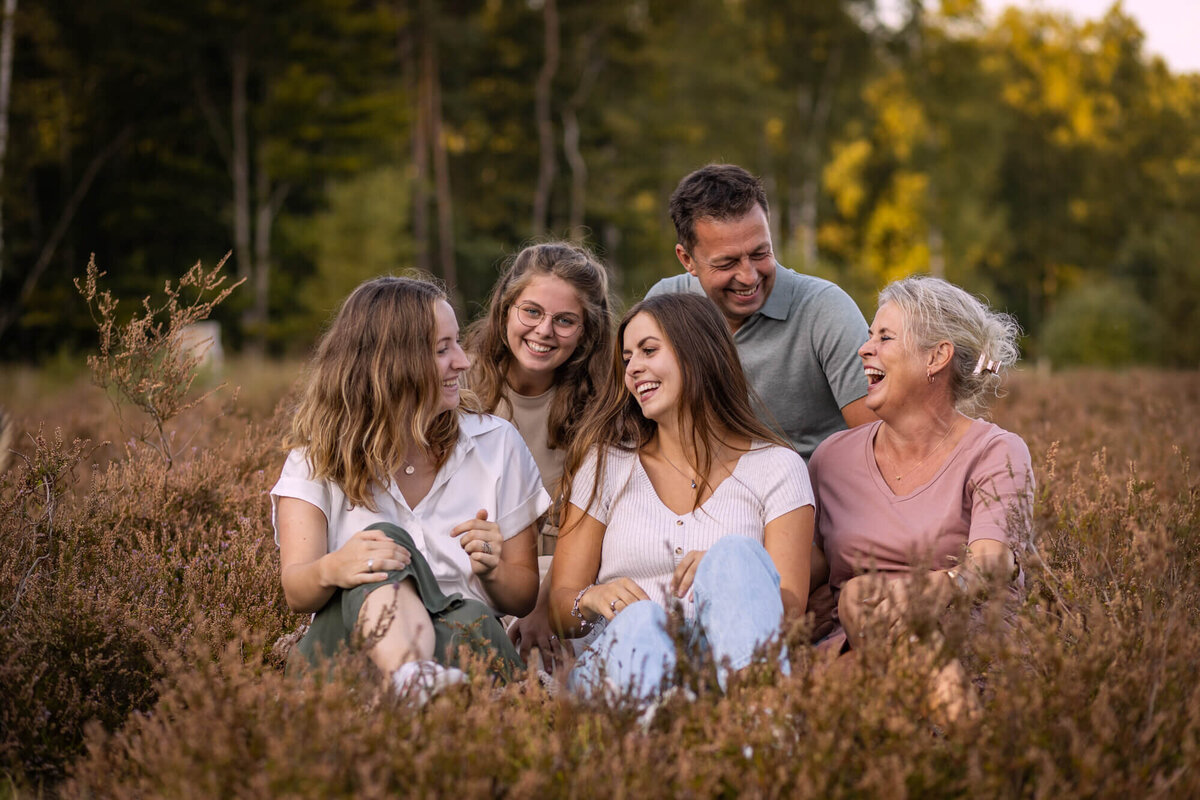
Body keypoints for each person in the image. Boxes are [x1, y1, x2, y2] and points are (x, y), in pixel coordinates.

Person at [270, 276, 546, 699]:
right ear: (390, 364)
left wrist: (492, 570)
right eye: (442, 349)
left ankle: (417, 687)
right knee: (381, 547)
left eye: (457, 343)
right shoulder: (315, 462)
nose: (462, 361)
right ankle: (414, 680)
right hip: (348, 655)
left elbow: (522, 597)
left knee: (471, 617)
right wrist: (335, 568)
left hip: (463, 645)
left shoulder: (497, 444)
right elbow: (296, 590)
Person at [549, 292, 814, 700]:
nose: (634, 368)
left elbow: (791, 611)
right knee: (643, 623)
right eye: (626, 359)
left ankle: (758, 738)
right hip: (626, 663)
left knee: (736, 555)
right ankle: (654, 746)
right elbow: (560, 607)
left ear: (698, 353)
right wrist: (592, 598)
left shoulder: (778, 467)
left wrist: (726, 577)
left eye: (648, 350)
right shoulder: (606, 464)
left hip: (729, 663)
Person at [808, 275, 1033, 716]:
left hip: (969, 642)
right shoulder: (832, 459)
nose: (864, 348)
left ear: (937, 356)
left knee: (862, 601)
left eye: (885, 337)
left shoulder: (996, 451)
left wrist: (937, 588)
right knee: (858, 598)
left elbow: (992, 561)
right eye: (870, 335)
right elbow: (806, 568)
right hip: (855, 643)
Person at [646, 163, 874, 460]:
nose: (749, 276)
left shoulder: (825, 310)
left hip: (811, 496)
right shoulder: (663, 308)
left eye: (760, 253)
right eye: (727, 263)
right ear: (687, 259)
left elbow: (875, 443)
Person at [464, 242, 613, 670]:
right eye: (531, 312)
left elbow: (598, 523)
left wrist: (542, 603)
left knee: (539, 664)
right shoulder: (461, 385)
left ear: (586, 331)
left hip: (565, 571)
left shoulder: (602, 401)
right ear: (506, 309)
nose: (544, 330)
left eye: (565, 320)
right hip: (475, 565)